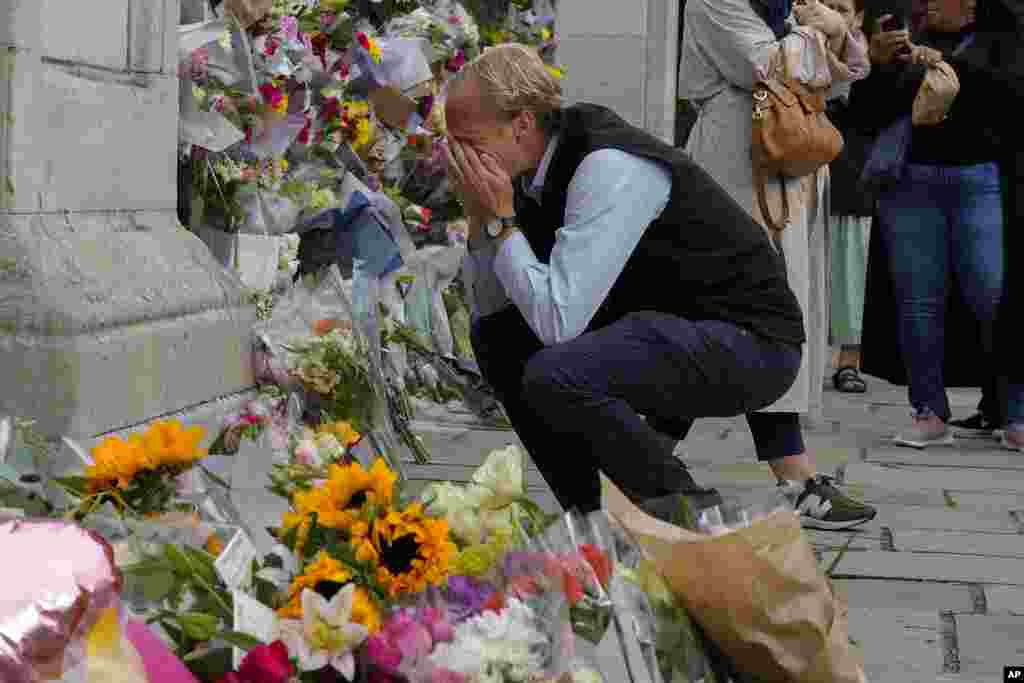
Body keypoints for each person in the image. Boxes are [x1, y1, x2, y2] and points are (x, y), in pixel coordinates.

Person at [445, 43, 873, 530]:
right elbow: (495, 309)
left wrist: (503, 225)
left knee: (556, 370)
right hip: (665, 328)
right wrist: (481, 220)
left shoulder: (606, 165)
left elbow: (558, 321)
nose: (458, 158)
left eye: (467, 142)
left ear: (520, 124)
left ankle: (695, 517)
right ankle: (589, 514)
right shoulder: (524, 171)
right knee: (498, 338)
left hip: (750, 342)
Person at [679, 0, 877, 528]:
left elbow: (840, 80)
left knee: (763, 315)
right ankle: (638, 460)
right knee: (726, 311)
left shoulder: (783, 4)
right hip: (736, 165)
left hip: (784, 160)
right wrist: (822, 33)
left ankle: (792, 474)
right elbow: (772, 66)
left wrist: (829, 34)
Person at [850, 0, 1011, 447]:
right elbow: (864, 115)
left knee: (992, 294)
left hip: (979, 181)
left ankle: (1013, 412)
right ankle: (928, 411)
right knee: (918, 300)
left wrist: (945, 64)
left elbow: (1005, 99)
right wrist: (879, 65)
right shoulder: (906, 39)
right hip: (911, 183)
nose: (931, 3)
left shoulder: (1001, 41)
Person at [824, 0, 874, 393]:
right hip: (805, 172)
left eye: (841, 6)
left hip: (852, 177)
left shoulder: (872, 62)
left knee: (851, 273)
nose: (832, 13)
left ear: (857, 17)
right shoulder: (797, 46)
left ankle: (849, 361)